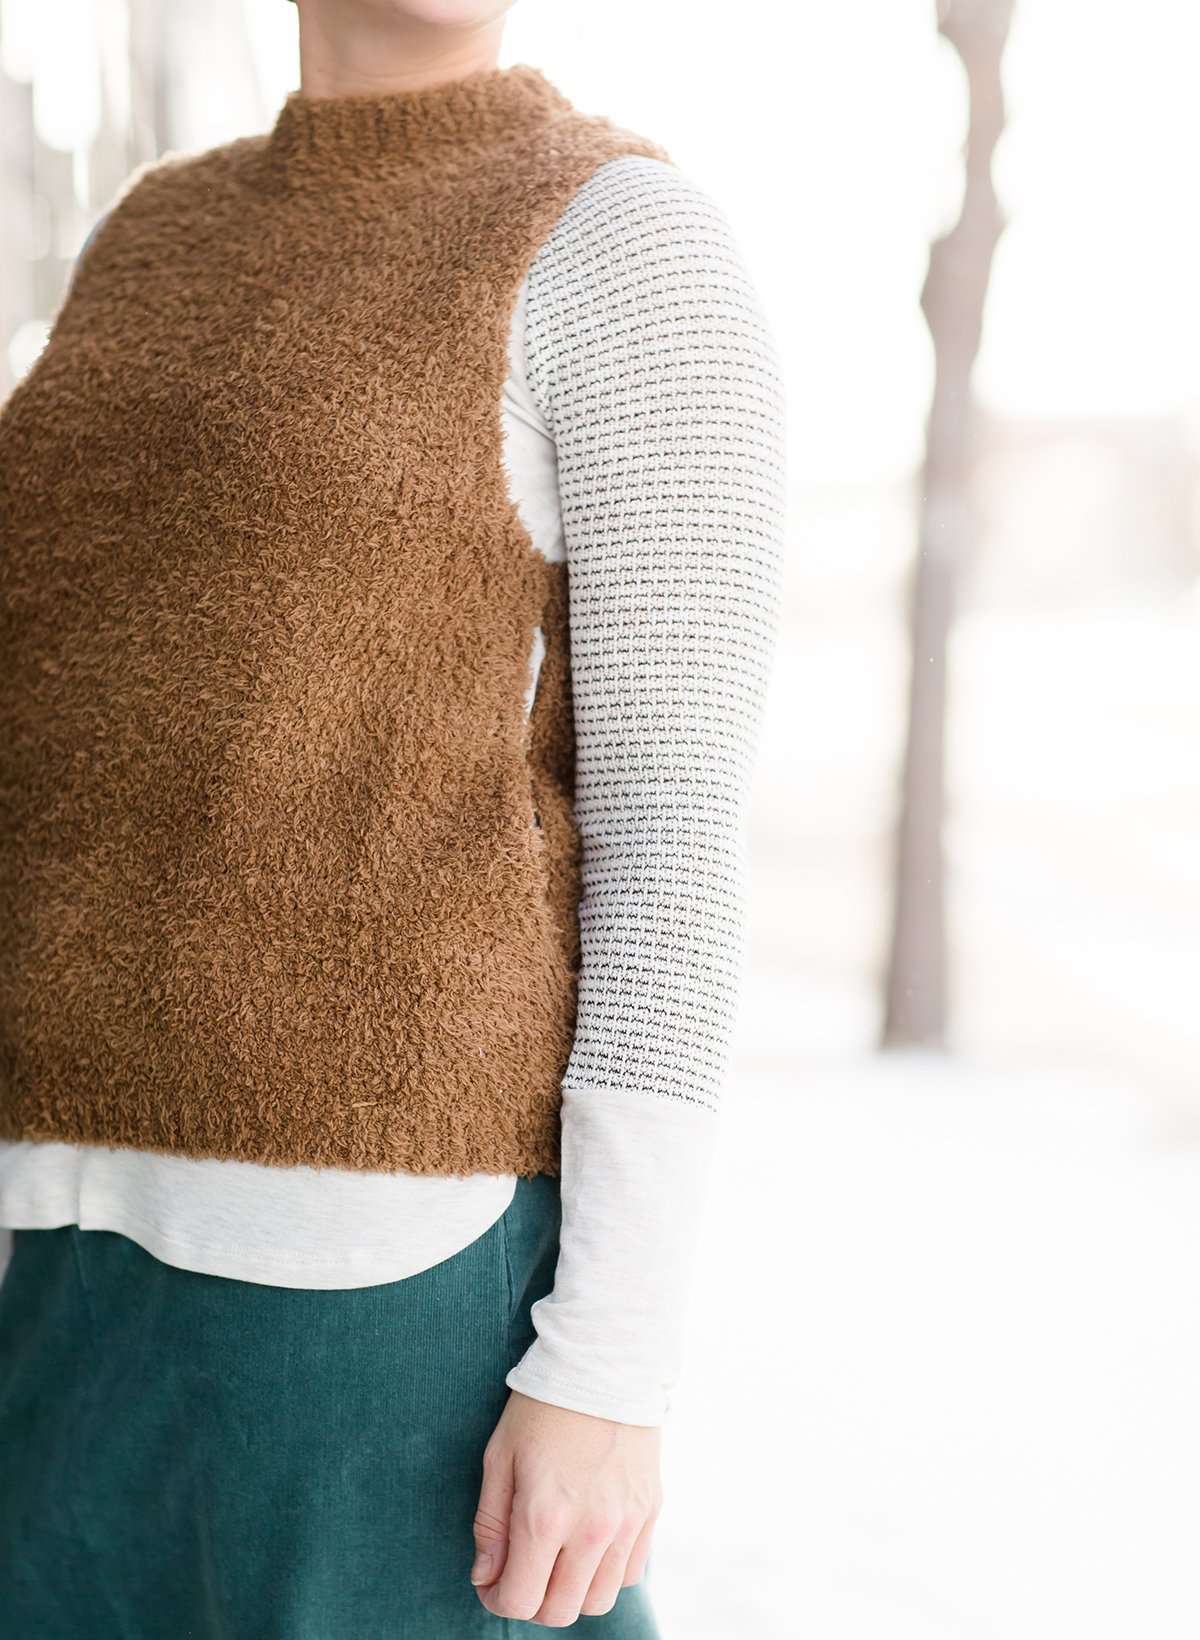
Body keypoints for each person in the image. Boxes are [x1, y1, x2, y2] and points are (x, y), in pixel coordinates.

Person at [0, 1, 786, 1634]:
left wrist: (611, 1366)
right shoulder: (151, 232)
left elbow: (672, 839)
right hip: (59, 1265)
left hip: (379, 1291)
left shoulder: (622, 241)